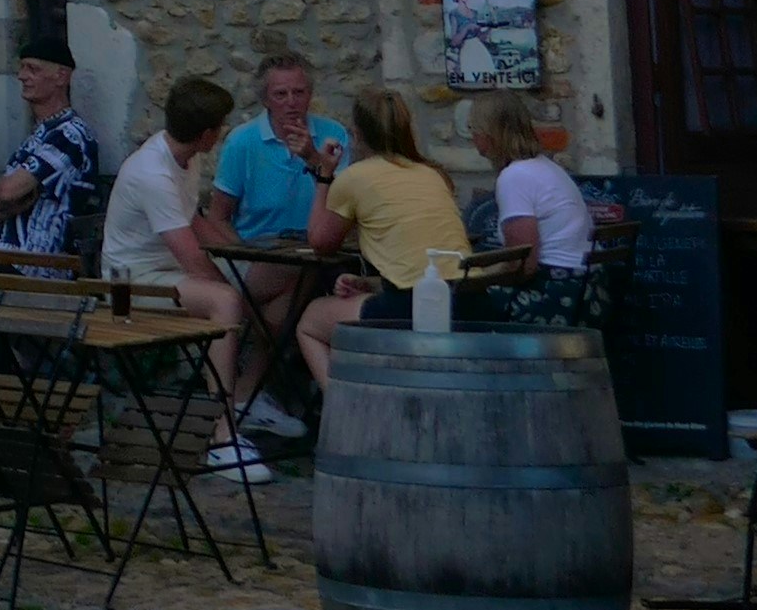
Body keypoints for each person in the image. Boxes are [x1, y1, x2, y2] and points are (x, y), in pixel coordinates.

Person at [103, 70, 266, 476]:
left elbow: (194, 220)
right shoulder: (154, 173)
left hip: (163, 272)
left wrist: (242, 253)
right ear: (208, 134)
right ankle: (223, 435)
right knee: (226, 300)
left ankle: (252, 398)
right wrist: (234, 285)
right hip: (128, 284)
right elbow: (192, 257)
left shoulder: (181, 157)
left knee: (266, 276)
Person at [297, 85, 476, 391]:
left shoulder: (356, 176)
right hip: (470, 299)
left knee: (310, 323)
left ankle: (348, 415)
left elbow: (320, 243)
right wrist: (372, 284)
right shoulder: (431, 173)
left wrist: (325, 175)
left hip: (414, 306)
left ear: (357, 134)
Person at [210, 46, 348, 428]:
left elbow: (346, 200)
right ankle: (250, 394)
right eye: (281, 94)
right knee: (294, 278)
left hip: (312, 250)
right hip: (255, 251)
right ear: (266, 99)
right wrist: (244, 250)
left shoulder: (332, 136)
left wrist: (312, 160)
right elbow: (219, 214)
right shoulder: (243, 142)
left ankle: (245, 393)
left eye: (299, 93)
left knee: (289, 296)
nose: (292, 102)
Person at [0, 43, 102, 266]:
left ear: (61, 77)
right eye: (22, 68)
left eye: (32, 69)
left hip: (29, 262)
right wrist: (3, 205)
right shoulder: (40, 134)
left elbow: (6, 192)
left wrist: (2, 203)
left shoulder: (70, 135)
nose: (22, 76)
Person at [477, 90, 596, 275]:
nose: (472, 137)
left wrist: (477, 276)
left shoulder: (514, 177)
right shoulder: (547, 167)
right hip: (586, 279)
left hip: (556, 282)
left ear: (488, 134)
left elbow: (522, 262)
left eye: (473, 128)